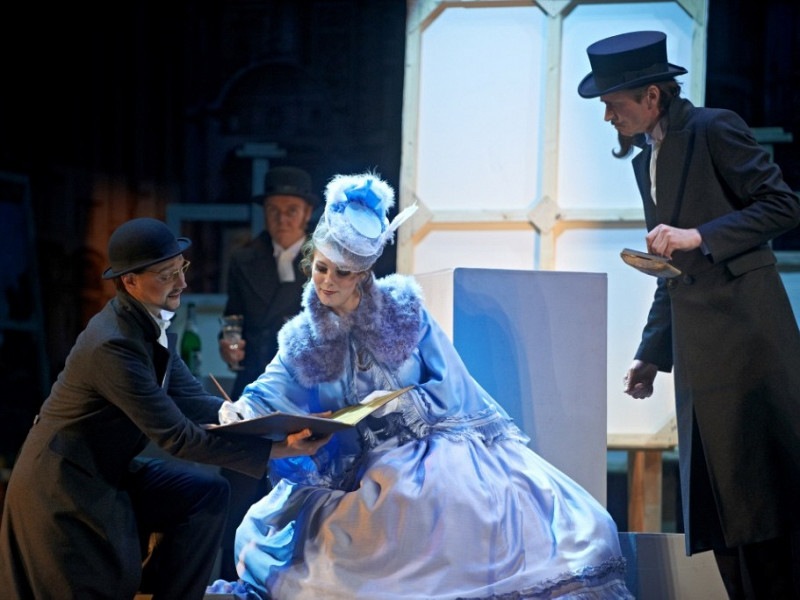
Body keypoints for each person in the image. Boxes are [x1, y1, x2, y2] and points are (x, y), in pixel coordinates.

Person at [207, 172, 633, 599]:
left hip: (434, 446)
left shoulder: (404, 312)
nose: (327, 281)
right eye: (321, 268)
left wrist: (401, 404)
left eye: (342, 272)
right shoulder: (307, 338)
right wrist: (244, 409)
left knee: (507, 514)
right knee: (310, 533)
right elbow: (272, 386)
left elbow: (452, 381)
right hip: (362, 466)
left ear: (364, 275)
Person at [578, 31, 800, 598]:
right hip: (699, 354)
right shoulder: (647, 160)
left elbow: (783, 205)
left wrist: (700, 234)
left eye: (613, 103)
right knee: (721, 510)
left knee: (763, 505)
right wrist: (650, 354)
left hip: (747, 342)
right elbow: (669, 265)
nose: (608, 116)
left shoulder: (713, 128)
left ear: (652, 96)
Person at [0, 217, 329, 600]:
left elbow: (193, 399)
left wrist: (281, 423)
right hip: (65, 483)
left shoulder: (149, 325)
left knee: (206, 494)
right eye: (167, 275)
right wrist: (275, 449)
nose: (182, 283)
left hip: (108, 470)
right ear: (130, 281)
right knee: (92, 583)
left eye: (181, 268)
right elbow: (178, 437)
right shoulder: (113, 345)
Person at [217, 165, 320, 580]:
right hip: (254, 382)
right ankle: (231, 579)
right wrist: (229, 344)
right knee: (238, 484)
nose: (282, 218)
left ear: (307, 213)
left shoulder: (325, 260)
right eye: (274, 209)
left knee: (302, 490)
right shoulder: (244, 258)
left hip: (307, 389)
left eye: (291, 209)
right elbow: (233, 318)